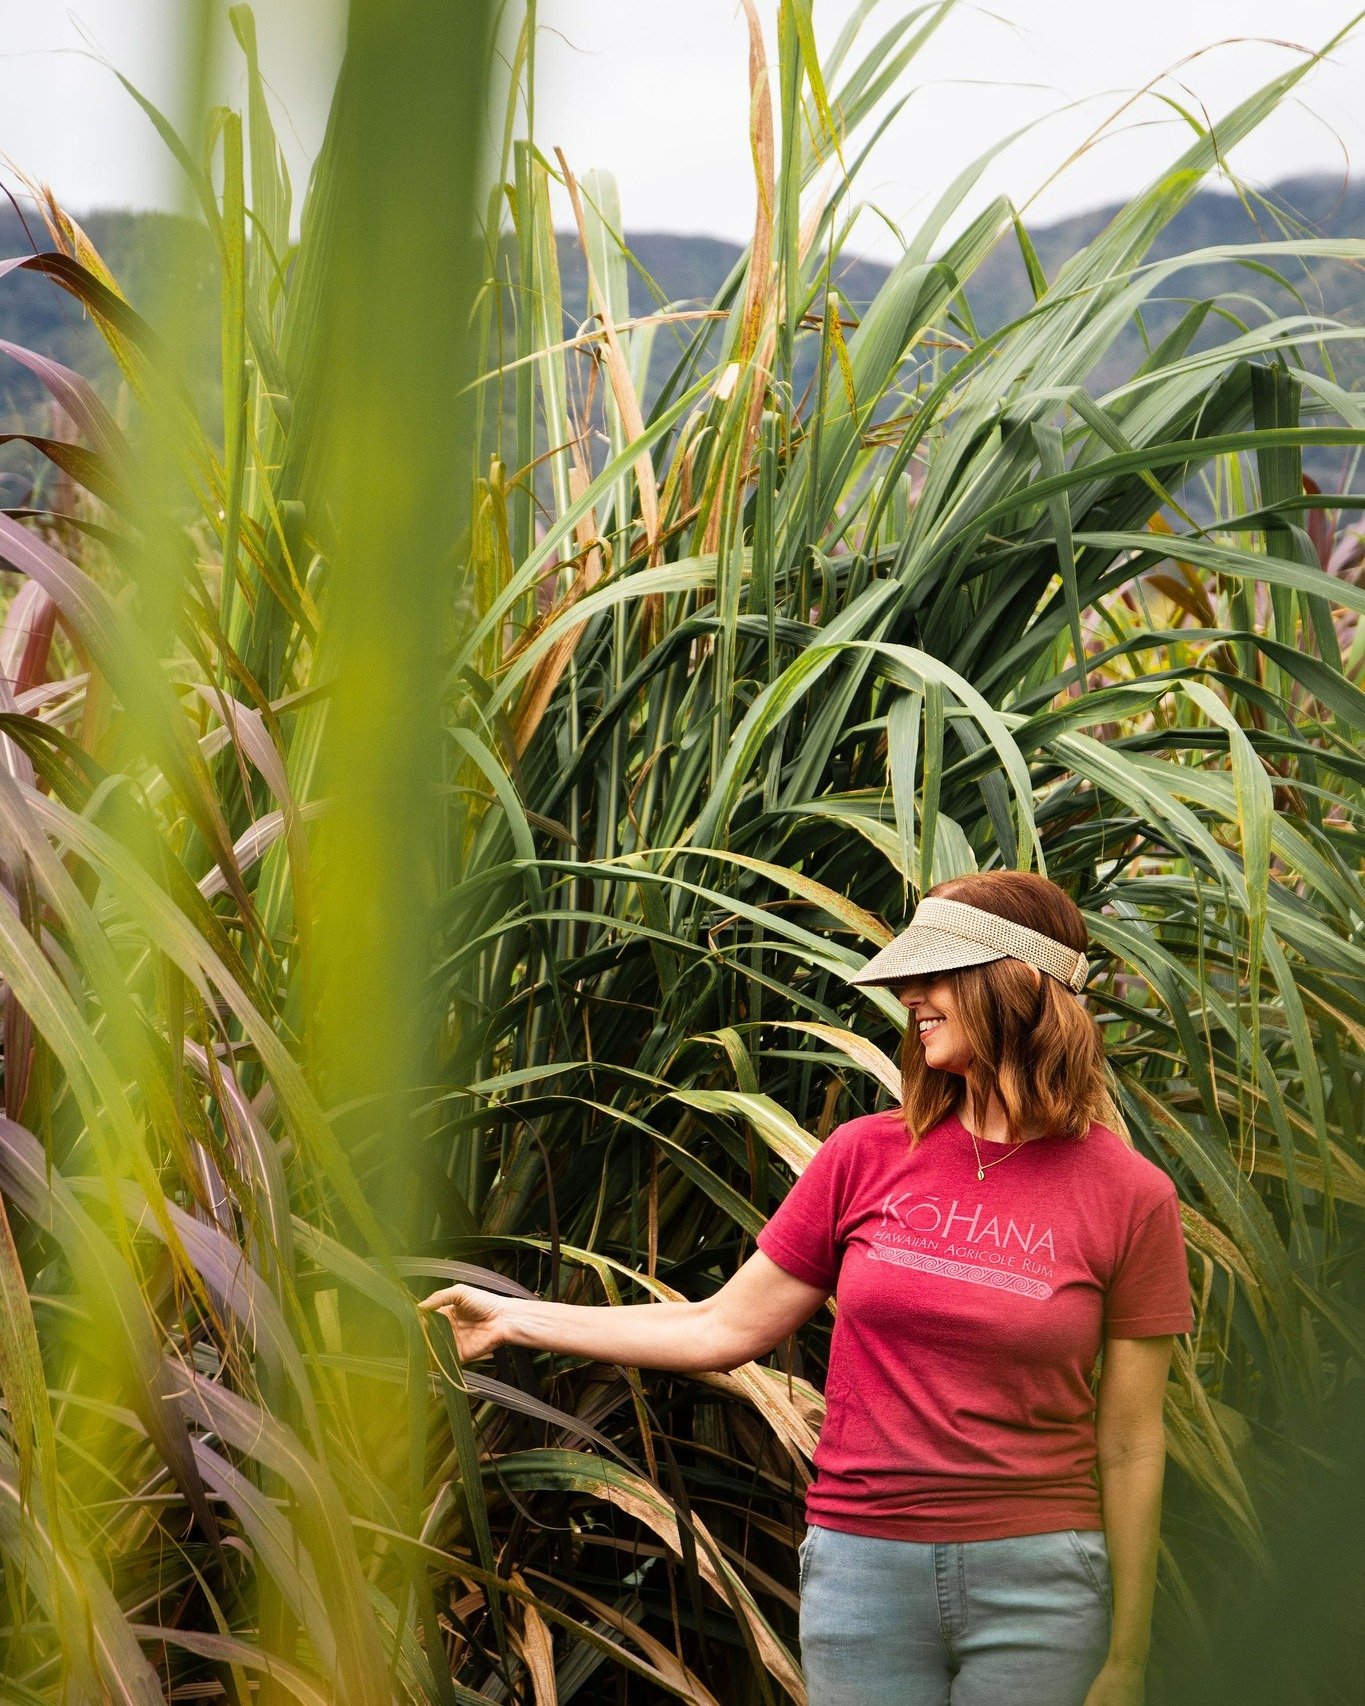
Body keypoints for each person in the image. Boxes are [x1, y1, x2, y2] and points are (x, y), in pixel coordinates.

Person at [421, 870, 1193, 1706]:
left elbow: (1130, 1442)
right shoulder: (863, 1155)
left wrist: (1129, 1654)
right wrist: (511, 1319)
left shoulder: (1130, 1195)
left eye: (935, 976)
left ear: (1012, 983)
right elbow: (720, 1328)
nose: (911, 996)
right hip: (863, 1571)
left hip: (1040, 1577)